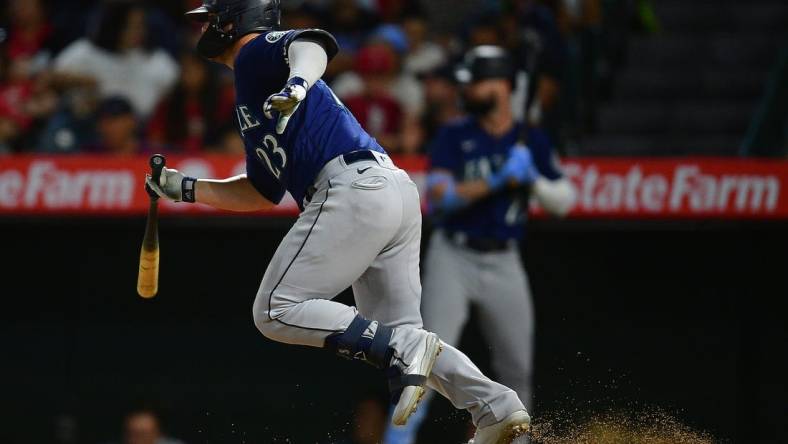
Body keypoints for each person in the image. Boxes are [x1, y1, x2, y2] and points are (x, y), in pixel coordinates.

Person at [145, 1, 530, 443]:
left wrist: (297, 84)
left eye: (214, 17)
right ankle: (497, 408)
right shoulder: (250, 92)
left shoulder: (254, 53)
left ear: (236, 20)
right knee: (398, 336)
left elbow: (313, 44)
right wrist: (186, 188)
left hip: (352, 189)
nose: (207, 26)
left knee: (274, 310)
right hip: (386, 192)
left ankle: (413, 353)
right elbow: (260, 192)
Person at [384, 46, 576, 444]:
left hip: (504, 260)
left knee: (517, 368)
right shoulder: (455, 135)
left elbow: (564, 202)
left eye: (476, 83)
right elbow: (439, 198)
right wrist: (500, 180)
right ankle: (399, 439)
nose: (467, 91)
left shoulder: (532, 140)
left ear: (503, 86)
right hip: (453, 256)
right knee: (425, 359)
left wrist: (533, 180)